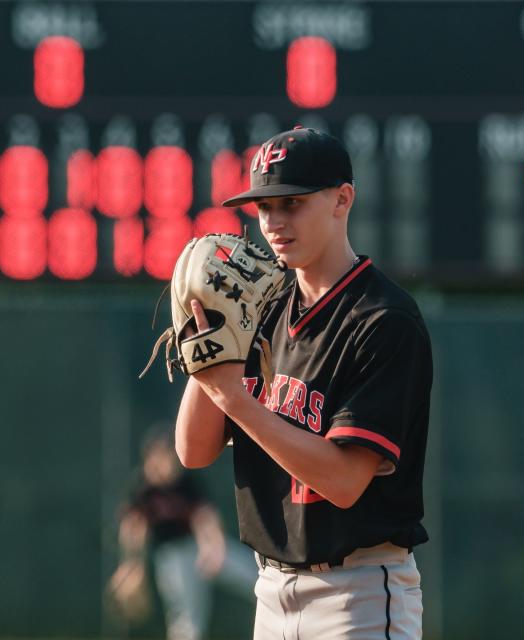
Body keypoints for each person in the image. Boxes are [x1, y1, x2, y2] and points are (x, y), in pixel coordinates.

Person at [173, 126, 433, 639]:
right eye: (263, 207)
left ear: (342, 199)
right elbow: (193, 450)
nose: (273, 222)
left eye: (291, 202)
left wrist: (230, 393)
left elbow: (342, 482)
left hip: (357, 594)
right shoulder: (259, 307)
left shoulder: (383, 320)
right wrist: (208, 344)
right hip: (268, 590)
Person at [109, 429, 256, 640]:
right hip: (172, 557)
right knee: (188, 624)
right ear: (150, 458)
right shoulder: (141, 488)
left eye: (171, 455)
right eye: (163, 455)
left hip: (201, 547)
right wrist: (131, 566)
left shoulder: (186, 480)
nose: (169, 462)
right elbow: (133, 529)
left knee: (258, 580)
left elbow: (206, 517)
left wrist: (214, 548)